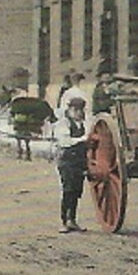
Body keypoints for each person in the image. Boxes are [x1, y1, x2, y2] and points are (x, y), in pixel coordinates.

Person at [52, 95, 91, 233]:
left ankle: (72, 220)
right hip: (67, 161)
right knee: (68, 190)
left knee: (76, 191)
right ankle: (64, 221)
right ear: (70, 110)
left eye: (81, 110)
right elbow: (65, 142)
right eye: (76, 110)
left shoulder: (81, 124)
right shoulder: (64, 123)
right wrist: (82, 139)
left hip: (79, 161)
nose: (79, 113)